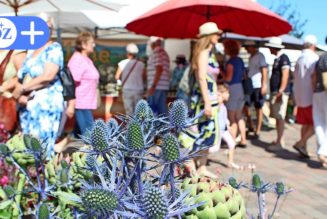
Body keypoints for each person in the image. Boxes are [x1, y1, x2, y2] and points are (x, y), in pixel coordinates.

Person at [11, 15, 64, 154]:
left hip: (45, 104)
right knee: (27, 148)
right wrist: (19, 95)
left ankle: (43, 174)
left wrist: (22, 88)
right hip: (27, 105)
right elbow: (22, 74)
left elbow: (48, 76)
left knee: (43, 148)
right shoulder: (31, 50)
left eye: (49, 28)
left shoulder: (54, 48)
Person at [190, 22, 222, 178]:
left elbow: (210, 79)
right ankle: (194, 167)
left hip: (211, 98)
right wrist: (208, 102)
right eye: (216, 34)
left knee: (209, 132)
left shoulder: (210, 53)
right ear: (209, 37)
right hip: (204, 100)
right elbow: (201, 78)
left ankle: (202, 166)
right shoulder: (203, 53)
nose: (218, 36)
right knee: (203, 131)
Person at [68, 31, 99, 137]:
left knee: (77, 135)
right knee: (89, 134)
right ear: (83, 44)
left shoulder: (86, 59)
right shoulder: (77, 60)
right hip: (81, 102)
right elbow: (71, 82)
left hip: (86, 101)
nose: (94, 45)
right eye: (91, 43)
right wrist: (71, 104)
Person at [292, 35, 319, 157]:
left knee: (305, 123)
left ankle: (303, 148)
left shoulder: (300, 58)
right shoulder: (313, 58)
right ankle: (301, 143)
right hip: (310, 95)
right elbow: (314, 77)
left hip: (300, 96)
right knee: (316, 123)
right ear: (313, 45)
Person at [265, 37, 291, 151]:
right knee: (277, 116)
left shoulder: (283, 58)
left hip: (280, 92)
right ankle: (280, 139)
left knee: (280, 117)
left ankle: (279, 143)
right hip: (277, 91)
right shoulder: (278, 59)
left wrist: (281, 91)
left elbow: (285, 75)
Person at [222, 39, 247, 147]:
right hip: (240, 88)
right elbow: (244, 75)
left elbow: (228, 78)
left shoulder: (230, 62)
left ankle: (232, 142)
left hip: (232, 89)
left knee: (231, 118)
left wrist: (221, 72)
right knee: (239, 116)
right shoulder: (240, 60)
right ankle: (243, 139)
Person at [243, 40, 268, 138]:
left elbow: (264, 70)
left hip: (258, 85)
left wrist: (264, 85)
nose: (246, 49)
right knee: (246, 105)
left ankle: (257, 130)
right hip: (250, 84)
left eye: (247, 47)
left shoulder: (260, 56)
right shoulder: (251, 57)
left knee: (258, 107)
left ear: (252, 47)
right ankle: (251, 125)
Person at [115, 43, 145, 115]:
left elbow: (116, 76)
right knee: (138, 111)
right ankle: (139, 125)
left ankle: (130, 125)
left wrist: (120, 82)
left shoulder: (122, 63)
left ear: (128, 53)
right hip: (138, 89)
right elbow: (144, 77)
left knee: (129, 111)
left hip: (127, 89)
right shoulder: (141, 64)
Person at [216, 84, 240, 169]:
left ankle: (230, 162)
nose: (229, 95)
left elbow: (224, 118)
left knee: (232, 144)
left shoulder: (223, 106)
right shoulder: (217, 105)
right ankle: (197, 159)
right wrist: (218, 96)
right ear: (221, 94)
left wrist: (228, 125)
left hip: (224, 130)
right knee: (213, 148)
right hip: (217, 131)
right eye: (227, 93)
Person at [312, 41, 327, 169]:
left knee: (319, 123)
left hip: (317, 92)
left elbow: (314, 76)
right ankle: (323, 152)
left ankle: (322, 152)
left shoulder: (321, 57)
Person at [146, 36, 170, 115]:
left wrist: (153, 86)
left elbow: (159, 68)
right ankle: (165, 127)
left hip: (156, 87)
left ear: (152, 43)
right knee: (161, 111)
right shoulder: (164, 53)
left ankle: (156, 127)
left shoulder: (157, 52)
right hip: (162, 87)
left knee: (152, 112)